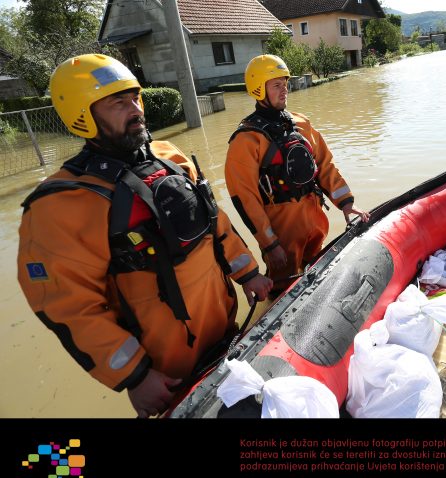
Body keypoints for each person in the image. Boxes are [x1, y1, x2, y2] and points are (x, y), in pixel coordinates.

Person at [16, 54, 273, 418]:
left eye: (135, 97)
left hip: (226, 332)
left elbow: (215, 222)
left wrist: (248, 273)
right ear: (82, 114)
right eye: (117, 102)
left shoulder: (168, 155)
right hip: (166, 372)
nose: (135, 108)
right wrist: (134, 376)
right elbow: (68, 306)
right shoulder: (60, 204)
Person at [226, 54, 369, 297]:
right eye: (276, 85)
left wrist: (346, 204)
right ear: (259, 89)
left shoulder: (301, 123)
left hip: (314, 224)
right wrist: (270, 244)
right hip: (282, 236)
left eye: (285, 84)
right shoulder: (246, 140)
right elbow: (245, 200)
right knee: (282, 293)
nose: (284, 91)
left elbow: (325, 166)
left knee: (318, 279)